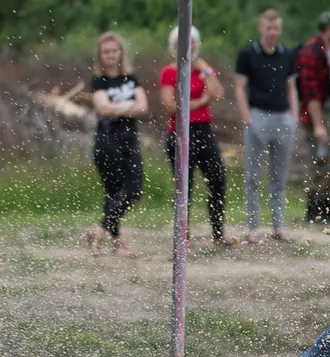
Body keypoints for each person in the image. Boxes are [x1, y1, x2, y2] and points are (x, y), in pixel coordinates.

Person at [160, 26, 234, 247]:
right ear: (175, 46)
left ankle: (218, 232)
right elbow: (170, 106)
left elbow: (218, 94)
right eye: (184, 42)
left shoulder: (202, 70)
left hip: (204, 129)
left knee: (218, 180)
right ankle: (183, 235)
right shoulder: (170, 72)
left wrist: (206, 71)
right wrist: (201, 102)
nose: (189, 46)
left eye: (192, 42)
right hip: (180, 131)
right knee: (185, 186)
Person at [235, 9, 299, 244]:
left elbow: (292, 87)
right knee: (253, 175)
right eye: (268, 28)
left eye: (276, 28)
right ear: (261, 28)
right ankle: (253, 226)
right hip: (258, 115)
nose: (272, 33)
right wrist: (247, 118)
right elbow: (240, 87)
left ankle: (278, 226)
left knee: (278, 177)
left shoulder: (287, 55)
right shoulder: (247, 54)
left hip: (283, 117)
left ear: (279, 29)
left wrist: (294, 116)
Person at [87, 32, 147, 257]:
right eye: (106, 51)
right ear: (100, 55)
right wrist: (128, 104)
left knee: (134, 191)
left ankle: (100, 230)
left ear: (120, 53)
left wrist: (117, 107)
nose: (111, 55)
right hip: (107, 141)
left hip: (129, 140)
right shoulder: (98, 81)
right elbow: (103, 109)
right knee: (112, 192)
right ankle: (117, 242)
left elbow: (143, 107)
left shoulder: (130, 78)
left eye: (114, 50)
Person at [296, 10, 330, 225]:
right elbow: (310, 93)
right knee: (321, 161)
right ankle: (315, 209)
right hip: (320, 115)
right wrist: (318, 125)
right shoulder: (311, 52)